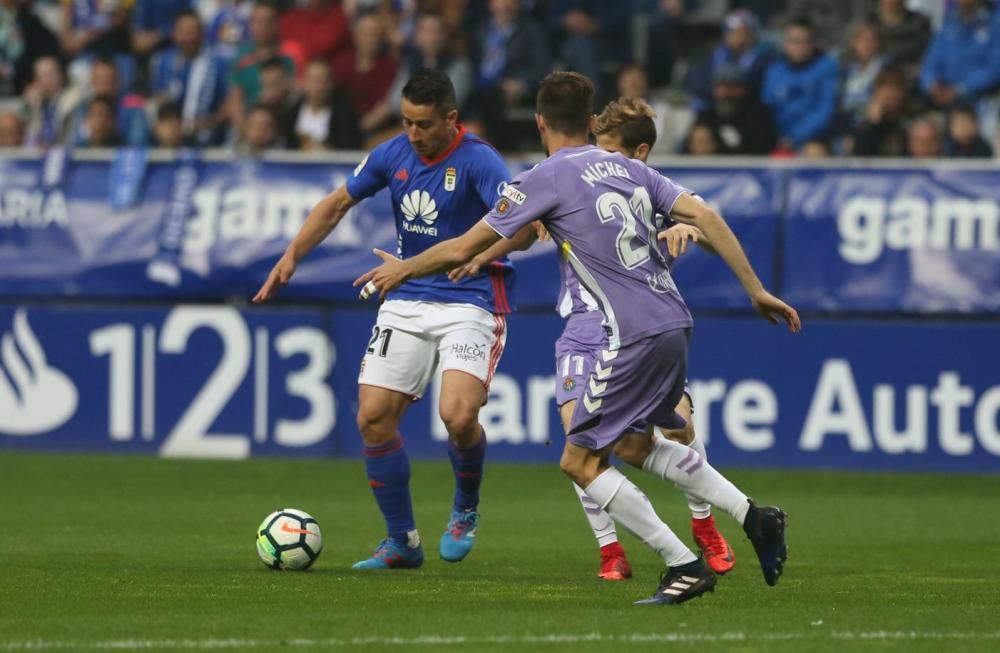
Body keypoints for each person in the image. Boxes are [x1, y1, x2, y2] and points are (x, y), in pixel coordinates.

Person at [355, 72, 800, 604]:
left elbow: (462, 244)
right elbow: (705, 214)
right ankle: (754, 516)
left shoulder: (543, 177)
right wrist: (756, 289)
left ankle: (682, 563)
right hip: (674, 323)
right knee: (633, 444)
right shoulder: (634, 168)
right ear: (592, 122)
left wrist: (405, 267)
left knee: (579, 461)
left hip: (623, 332)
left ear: (539, 121)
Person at [449, 96, 740, 582]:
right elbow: (517, 225)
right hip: (585, 329)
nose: (595, 158)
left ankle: (704, 522)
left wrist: (687, 229)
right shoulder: (571, 178)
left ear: (640, 151)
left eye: (608, 149)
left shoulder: (650, 187)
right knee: (580, 439)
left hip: (641, 327)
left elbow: (710, 224)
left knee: (679, 429)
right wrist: (481, 257)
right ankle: (611, 549)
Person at [253, 69, 516, 570]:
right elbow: (336, 204)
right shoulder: (391, 154)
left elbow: (521, 225)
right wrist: (291, 257)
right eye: (406, 122)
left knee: (459, 418)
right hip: (406, 292)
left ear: (450, 118)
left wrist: (481, 256)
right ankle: (403, 542)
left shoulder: (481, 160)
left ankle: (465, 509)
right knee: (372, 419)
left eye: (422, 124)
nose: (413, 134)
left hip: (471, 299)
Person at [762, 18, 839, 151]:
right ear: (785, 43)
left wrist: (794, 137)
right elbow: (766, 106)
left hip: (813, 138)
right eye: (795, 41)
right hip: (777, 138)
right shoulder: (774, 71)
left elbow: (825, 110)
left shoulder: (827, 67)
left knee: (815, 151)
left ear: (814, 43)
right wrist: (777, 137)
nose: (800, 47)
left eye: (806, 41)